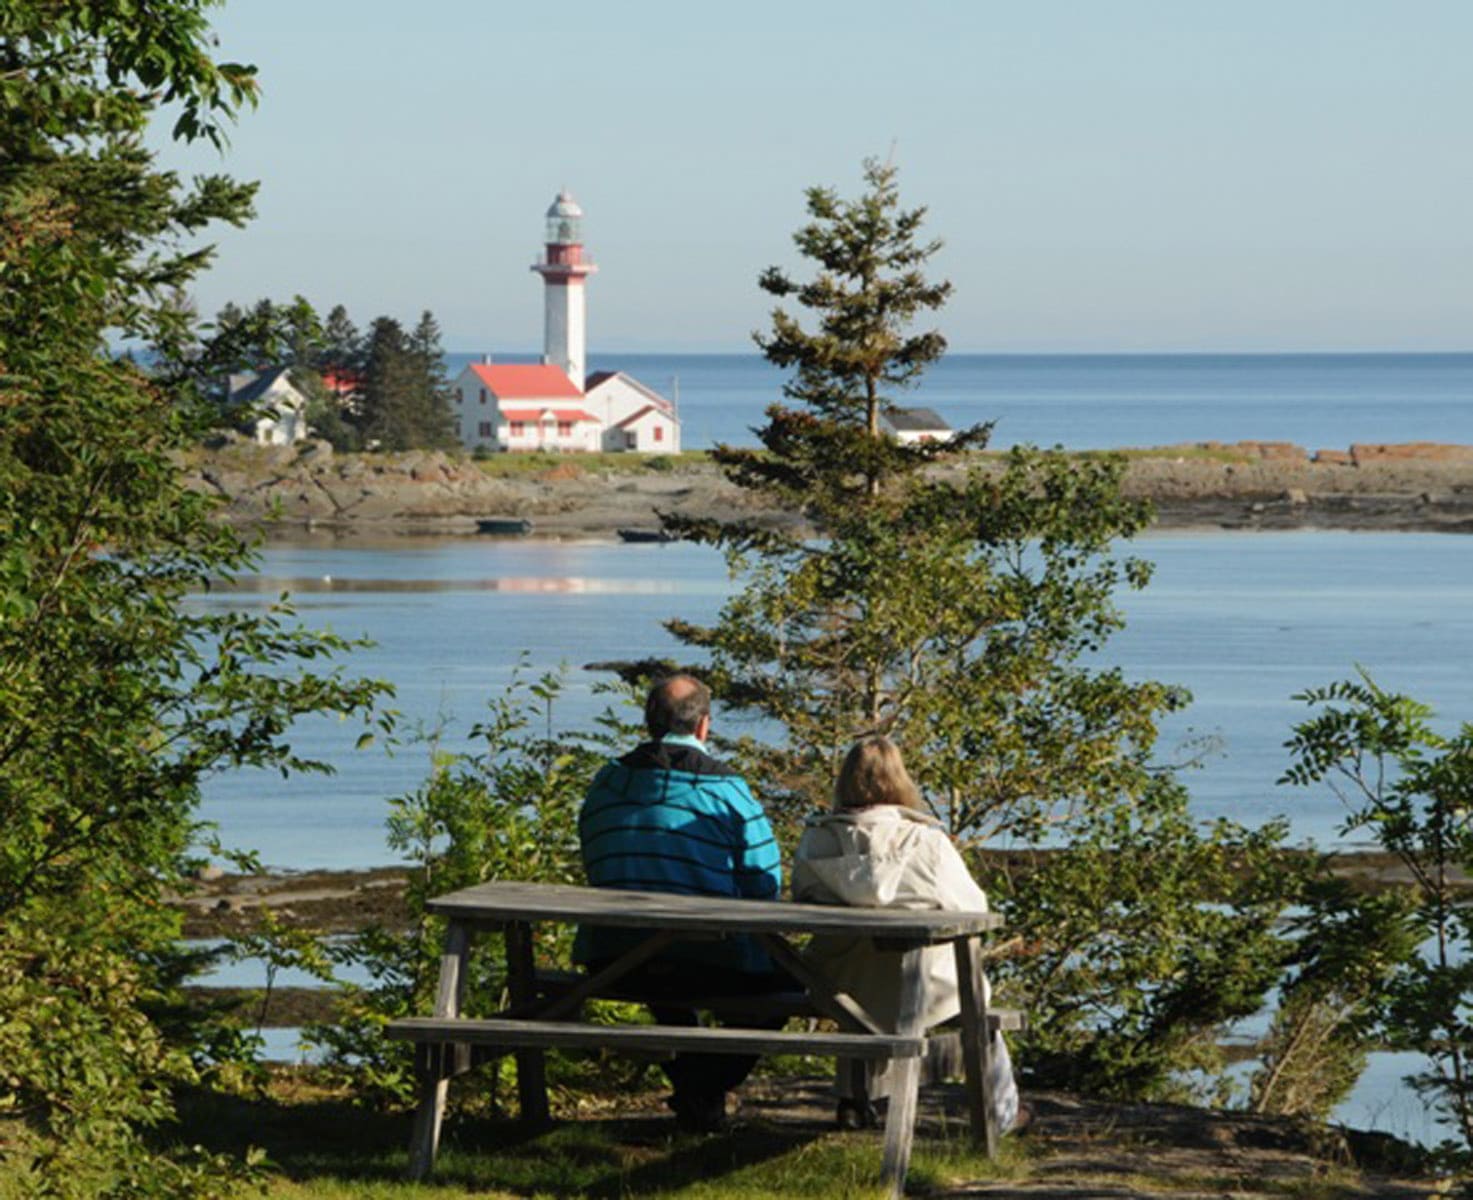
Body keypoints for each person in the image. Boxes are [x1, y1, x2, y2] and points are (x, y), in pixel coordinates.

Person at [576, 673, 787, 1132]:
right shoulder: (726, 790)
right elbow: (765, 882)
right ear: (704, 725)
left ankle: (698, 1095)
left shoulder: (607, 782)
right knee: (788, 987)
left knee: (665, 977)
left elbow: (596, 859)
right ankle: (702, 1088)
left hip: (613, 957)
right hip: (707, 961)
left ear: (649, 722)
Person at [791, 735, 1021, 1132]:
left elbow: (802, 895)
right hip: (926, 987)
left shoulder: (818, 841)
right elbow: (975, 909)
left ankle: (855, 1097)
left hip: (841, 983)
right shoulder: (926, 842)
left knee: (862, 985)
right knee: (975, 1003)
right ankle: (1003, 1114)